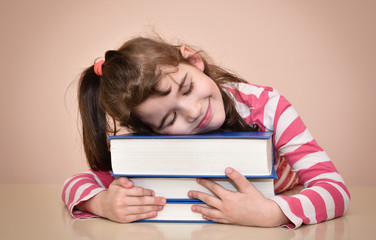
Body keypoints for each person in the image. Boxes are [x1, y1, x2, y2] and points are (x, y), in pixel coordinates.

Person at [62, 36, 350, 228]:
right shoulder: (154, 141)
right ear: (151, 130)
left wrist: (271, 213)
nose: (193, 111)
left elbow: (335, 190)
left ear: (194, 60)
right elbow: (77, 182)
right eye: (169, 119)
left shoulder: (269, 107)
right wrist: (101, 203)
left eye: (186, 88)